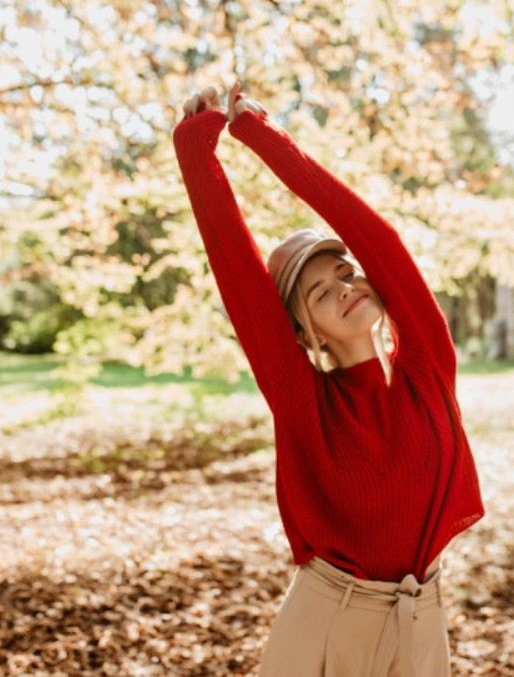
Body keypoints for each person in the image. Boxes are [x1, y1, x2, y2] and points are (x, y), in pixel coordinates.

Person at [172, 81, 484, 677]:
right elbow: (240, 280)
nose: (345, 287)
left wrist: (263, 138)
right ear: (305, 331)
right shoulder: (305, 403)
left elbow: (381, 243)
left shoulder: (428, 370)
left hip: (422, 622)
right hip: (327, 625)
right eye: (320, 292)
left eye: (345, 272)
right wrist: (198, 151)